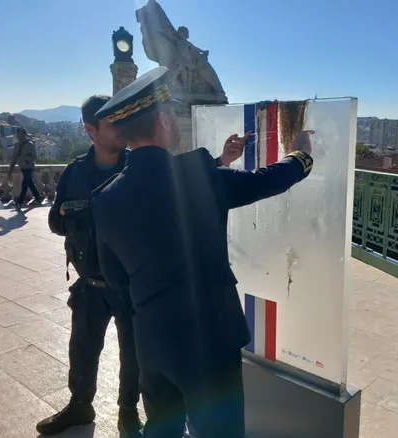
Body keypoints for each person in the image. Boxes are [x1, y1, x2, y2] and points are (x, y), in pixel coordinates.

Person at [90, 66, 314, 438]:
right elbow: (267, 180)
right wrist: (302, 156)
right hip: (209, 341)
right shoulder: (199, 175)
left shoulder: (106, 198)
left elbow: (115, 280)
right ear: (163, 120)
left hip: (152, 342)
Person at [37, 94, 243, 437]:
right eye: (111, 124)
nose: (120, 129)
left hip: (131, 285)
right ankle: (79, 406)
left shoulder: (134, 167)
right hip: (91, 283)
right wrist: (78, 216)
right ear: (91, 130)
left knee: (134, 360)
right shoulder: (74, 172)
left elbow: (178, 186)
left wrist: (220, 161)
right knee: (82, 350)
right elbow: (54, 222)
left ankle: (128, 413)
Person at [8, 127, 41, 207]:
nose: (17, 135)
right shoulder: (16, 145)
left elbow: (34, 157)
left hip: (29, 167)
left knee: (24, 184)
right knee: (30, 183)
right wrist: (10, 169)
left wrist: (24, 157)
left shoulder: (30, 144)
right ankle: (38, 198)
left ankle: (19, 202)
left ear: (24, 134)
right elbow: (14, 158)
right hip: (22, 167)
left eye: (19, 133)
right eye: (17, 133)